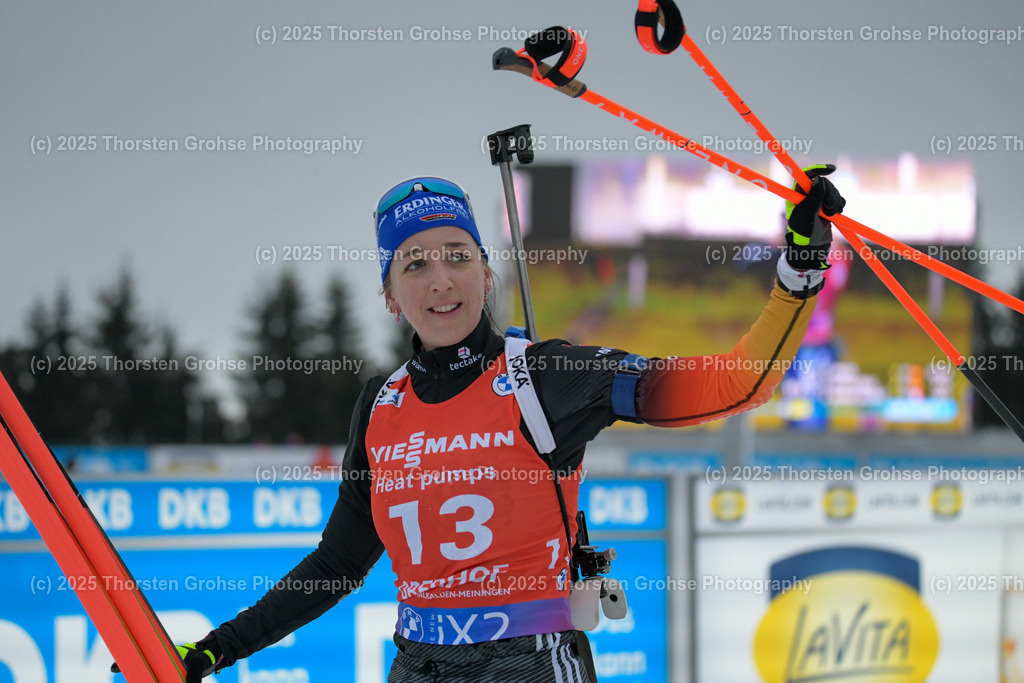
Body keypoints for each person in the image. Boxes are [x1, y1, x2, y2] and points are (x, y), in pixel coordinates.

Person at [138, 167, 844, 682]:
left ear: (485, 270)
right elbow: (337, 564)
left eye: (456, 256)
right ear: (390, 294)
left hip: (532, 664)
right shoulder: (379, 406)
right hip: (418, 666)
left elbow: (738, 382)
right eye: (414, 263)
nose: (439, 279)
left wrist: (800, 268)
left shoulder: (547, 376)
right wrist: (213, 650)